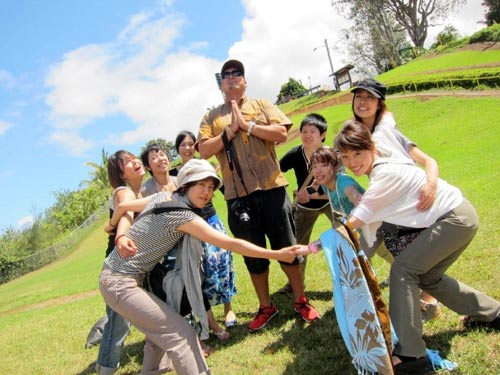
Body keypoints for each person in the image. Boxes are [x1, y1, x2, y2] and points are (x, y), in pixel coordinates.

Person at [317, 121, 500, 375]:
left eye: (357, 153)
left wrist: (317, 245)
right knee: (428, 277)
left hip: (454, 219)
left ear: (370, 148)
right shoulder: (380, 163)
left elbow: (360, 217)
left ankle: (413, 355)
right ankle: (492, 313)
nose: (352, 162)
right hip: (456, 217)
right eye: (346, 157)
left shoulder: (383, 175)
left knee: (403, 271)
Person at [99, 159, 300, 375]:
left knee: (158, 338)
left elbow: (122, 208)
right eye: (201, 185)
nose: (207, 192)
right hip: (121, 283)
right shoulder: (182, 215)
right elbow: (230, 243)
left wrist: (112, 227)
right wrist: (276, 254)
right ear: (186, 183)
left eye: (211, 187)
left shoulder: (165, 196)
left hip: (120, 278)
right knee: (181, 334)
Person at [197, 59, 320, 332]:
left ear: (245, 80)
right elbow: (205, 150)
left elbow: (281, 133)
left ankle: (301, 300)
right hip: (237, 197)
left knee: (287, 246)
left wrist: (249, 126)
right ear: (221, 84)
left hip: (272, 189)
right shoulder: (211, 118)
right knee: (252, 255)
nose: (231, 78)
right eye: (226, 75)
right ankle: (266, 306)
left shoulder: (262, 105)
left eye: (236, 73)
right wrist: (230, 130)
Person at [350, 78, 441, 319]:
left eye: (369, 97)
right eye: (359, 96)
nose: (363, 102)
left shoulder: (388, 131)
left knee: (413, 252)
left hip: (411, 202)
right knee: (400, 251)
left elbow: (428, 160)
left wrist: (430, 185)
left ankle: (429, 302)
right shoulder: (359, 134)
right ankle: (423, 300)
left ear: (380, 104)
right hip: (388, 204)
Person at [171, 130, 238, 330]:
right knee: (199, 269)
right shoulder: (174, 175)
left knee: (223, 260)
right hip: (190, 225)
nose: (188, 148)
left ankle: (228, 308)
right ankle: (206, 318)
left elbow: (222, 189)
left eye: (191, 144)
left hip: (211, 219)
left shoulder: (205, 166)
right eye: (183, 144)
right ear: (177, 149)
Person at [95, 150, 145, 375]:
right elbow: (126, 212)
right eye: (127, 162)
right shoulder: (124, 192)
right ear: (121, 174)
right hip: (120, 262)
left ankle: (102, 364)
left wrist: (111, 223)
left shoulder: (140, 191)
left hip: (133, 261)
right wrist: (119, 234)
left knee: (123, 318)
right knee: (119, 322)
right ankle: (106, 369)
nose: (135, 161)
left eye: (134, 157)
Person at [278, 113, 333, 293]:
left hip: (331, 203)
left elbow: (339, 185)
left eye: (312, 131)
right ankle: (295, 283)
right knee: (299, 245)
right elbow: (276, 170)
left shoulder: (331, 155)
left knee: (348, 236)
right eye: (304, 131)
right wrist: (291, 192)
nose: (307, 135)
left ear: (323, 135)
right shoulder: (295, 153)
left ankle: (359, 271)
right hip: (304, 207)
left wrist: (313, 194)